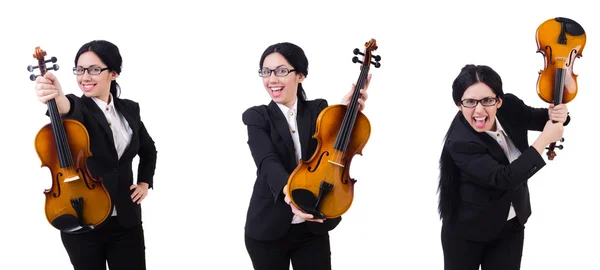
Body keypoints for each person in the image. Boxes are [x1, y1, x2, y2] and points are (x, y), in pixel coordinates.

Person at [242, 42, 371, 270]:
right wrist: (292, 197)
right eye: (266, 71)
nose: (272, 79)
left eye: (281, 71)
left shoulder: (319, 110)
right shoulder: (256, 117)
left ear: (300, 75)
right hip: (267, 230)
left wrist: (345, 112)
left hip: (312, 229)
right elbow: (267, 162)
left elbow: (332, 147)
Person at [34, 40, 157, 270]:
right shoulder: (78, 108)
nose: (85, 77)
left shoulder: (130, 110)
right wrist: (57, 96)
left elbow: (148, 150)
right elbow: (67, 107)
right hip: (83, 219)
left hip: (126, 220)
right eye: (80, 70)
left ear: (114, 73)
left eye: (94, 69)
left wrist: (144, 183)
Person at [436, 64, 570, 270]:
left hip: (510, 226)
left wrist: (562, 114)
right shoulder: (459, 141)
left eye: (487, 100)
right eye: (470, 102)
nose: (479, 110)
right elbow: (504, 178)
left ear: (499, 101)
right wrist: (544, 140)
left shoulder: (511, 107)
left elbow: (545, 118)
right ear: (458, 104)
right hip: (466, 232)